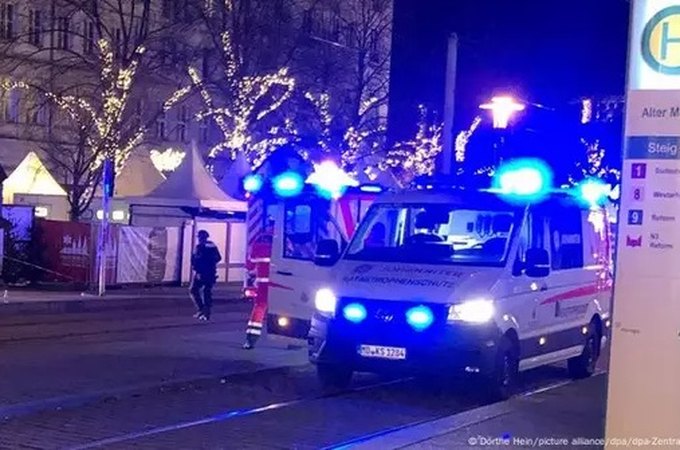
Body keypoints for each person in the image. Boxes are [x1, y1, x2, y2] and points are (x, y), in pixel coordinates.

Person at [190, 230, 221, 320]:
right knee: (207, 291)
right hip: (211, 272)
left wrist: (198, 271)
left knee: (194, 290)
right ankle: (206, 312)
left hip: (202, 273)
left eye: (199, 237)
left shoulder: (200, 247)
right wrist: (211, 265)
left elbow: (195, 260)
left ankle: (202, 310)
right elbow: (218, 258)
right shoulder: (213, 246)